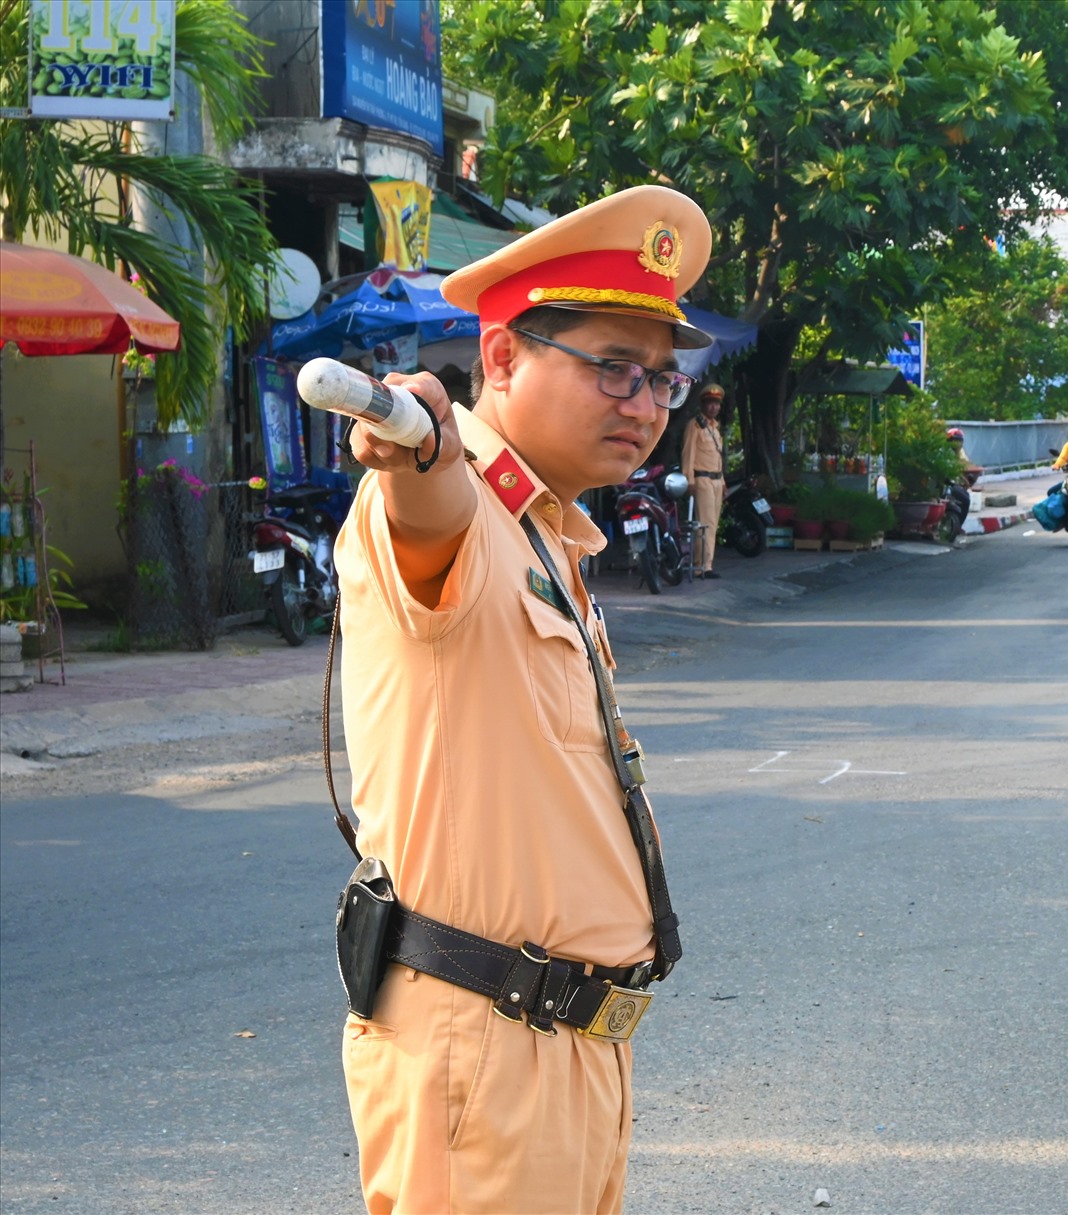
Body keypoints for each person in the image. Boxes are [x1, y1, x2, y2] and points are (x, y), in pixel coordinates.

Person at [336, 185, 708, 1213]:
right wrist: (413, 447)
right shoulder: (458, 511)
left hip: (568, 1049)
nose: (642, 405)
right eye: (612, 369)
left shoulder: (546, 533)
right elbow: (424, 499)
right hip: (483, 1045)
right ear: (500, 358)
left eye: (660, 382)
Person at [682, 381, 726, 578]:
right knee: (705, 523)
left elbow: (718, 458)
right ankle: (703, 567)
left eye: (717, 404)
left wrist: (723, 482)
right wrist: (688, 480)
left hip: (716, 481)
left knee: (713, 524)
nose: (714, 407)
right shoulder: (695, 425)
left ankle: (705, 563)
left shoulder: (715, 429)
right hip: (702, 480)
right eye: (710, 403)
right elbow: (688, 454)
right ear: (703, 404)